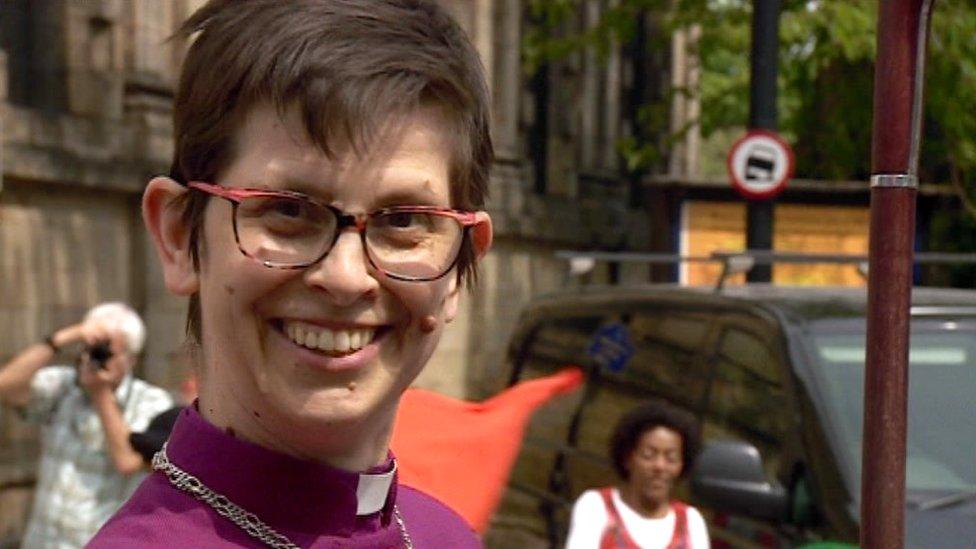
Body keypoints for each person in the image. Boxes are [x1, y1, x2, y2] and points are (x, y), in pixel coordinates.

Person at [90, 0, 494, 547]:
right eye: (287, 210)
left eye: (403, 220)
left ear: (458, 266)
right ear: (181, 238)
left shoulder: (446, 537)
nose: (347, 276)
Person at [0, 302, 174, 548]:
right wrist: (62, 338)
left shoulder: (151, 401)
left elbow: (127, 462)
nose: (91, 357)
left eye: (106, 352)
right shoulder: (64, 384)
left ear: (130, 359)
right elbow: (6, 387)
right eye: (89, 348)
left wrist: (100, 393)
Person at [565, 401, 710, 549]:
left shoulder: (691, 522)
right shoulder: (596, 507)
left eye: (671, 458)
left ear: (681, 465)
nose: (659, 466)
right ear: (628, 458)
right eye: (648, 455)